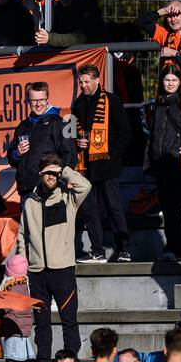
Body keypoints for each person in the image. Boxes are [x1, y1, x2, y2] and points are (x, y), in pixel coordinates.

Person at [16, 157, 91, 362]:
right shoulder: (30, 202)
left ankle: (70, 361)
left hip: (63, 270)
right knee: (41, 322)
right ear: (40, 174)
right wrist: (23, 262)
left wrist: (63, 169)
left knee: (69, 320)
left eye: (55, 173)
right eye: (47, 172)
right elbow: (23, 234)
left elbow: (86, 185)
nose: (52, 176)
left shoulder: (69, 198)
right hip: (37, 271)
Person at [72, 64, 133, 263]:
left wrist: (111, 154)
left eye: (87, 81)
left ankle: (124, 249)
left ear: (98, 80)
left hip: (108, 165)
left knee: (114, 207)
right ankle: (97, 250)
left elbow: (125, 133)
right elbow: (72, 132)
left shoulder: (112, 101)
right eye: (81, 82)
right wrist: (77, 141)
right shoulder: (78, 104)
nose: (84, 85)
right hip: (87, 166)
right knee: (90, 209)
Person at [145, 64, 181, 262]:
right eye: (167, 80)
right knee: (168, 210)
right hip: (161, 164)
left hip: (178, 163)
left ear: (179, 82)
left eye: (174, 80)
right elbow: (154, 134)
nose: (170, 84)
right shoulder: (159, 103)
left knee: (174, 209)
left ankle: (177, 250)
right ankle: (172, 247)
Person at [8, 81, 74, 199]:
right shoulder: (23, 126)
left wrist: (59, 180)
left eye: (42, 99)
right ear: (28, 101)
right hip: (26, 190)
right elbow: (12, 157)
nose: (38, 104)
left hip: (50, 189)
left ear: (47, 99)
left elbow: (69, 155)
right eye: (34, 100)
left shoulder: (59, 123)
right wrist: (16, 153)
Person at [0, 253, 34, 362]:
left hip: (14, 330)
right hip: (15, 329)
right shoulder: (23, 286)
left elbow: (5, 309)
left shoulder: (12, 289)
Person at [34, 0, 106, 47]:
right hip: (75, 52)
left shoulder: (86, 5)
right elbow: (57, 31)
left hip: (95, 51)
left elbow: (81, 38)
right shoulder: (59, 7)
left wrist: (50, 38)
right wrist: (44, 36)